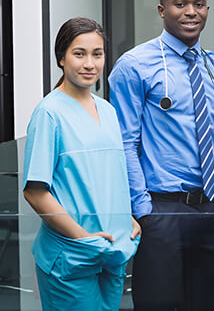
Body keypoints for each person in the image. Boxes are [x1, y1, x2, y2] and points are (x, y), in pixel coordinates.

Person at [108, 0, 214, 310]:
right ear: (162, 10)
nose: (191, 12)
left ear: (207, 9)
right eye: (180, 4)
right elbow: (125, 142)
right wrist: (144, 211)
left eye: (199, 4)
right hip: (163, 209)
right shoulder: (134, 66)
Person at [23, 17, 141, 311]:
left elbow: (109, 177)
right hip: (72, 258)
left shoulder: (108, 110)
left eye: (97, 54)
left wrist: (125, 217)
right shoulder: (49, 114)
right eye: (79, 53)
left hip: (112, 253)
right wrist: (83, 237)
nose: (90, 63)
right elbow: (35, 192)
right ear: (61, 58)